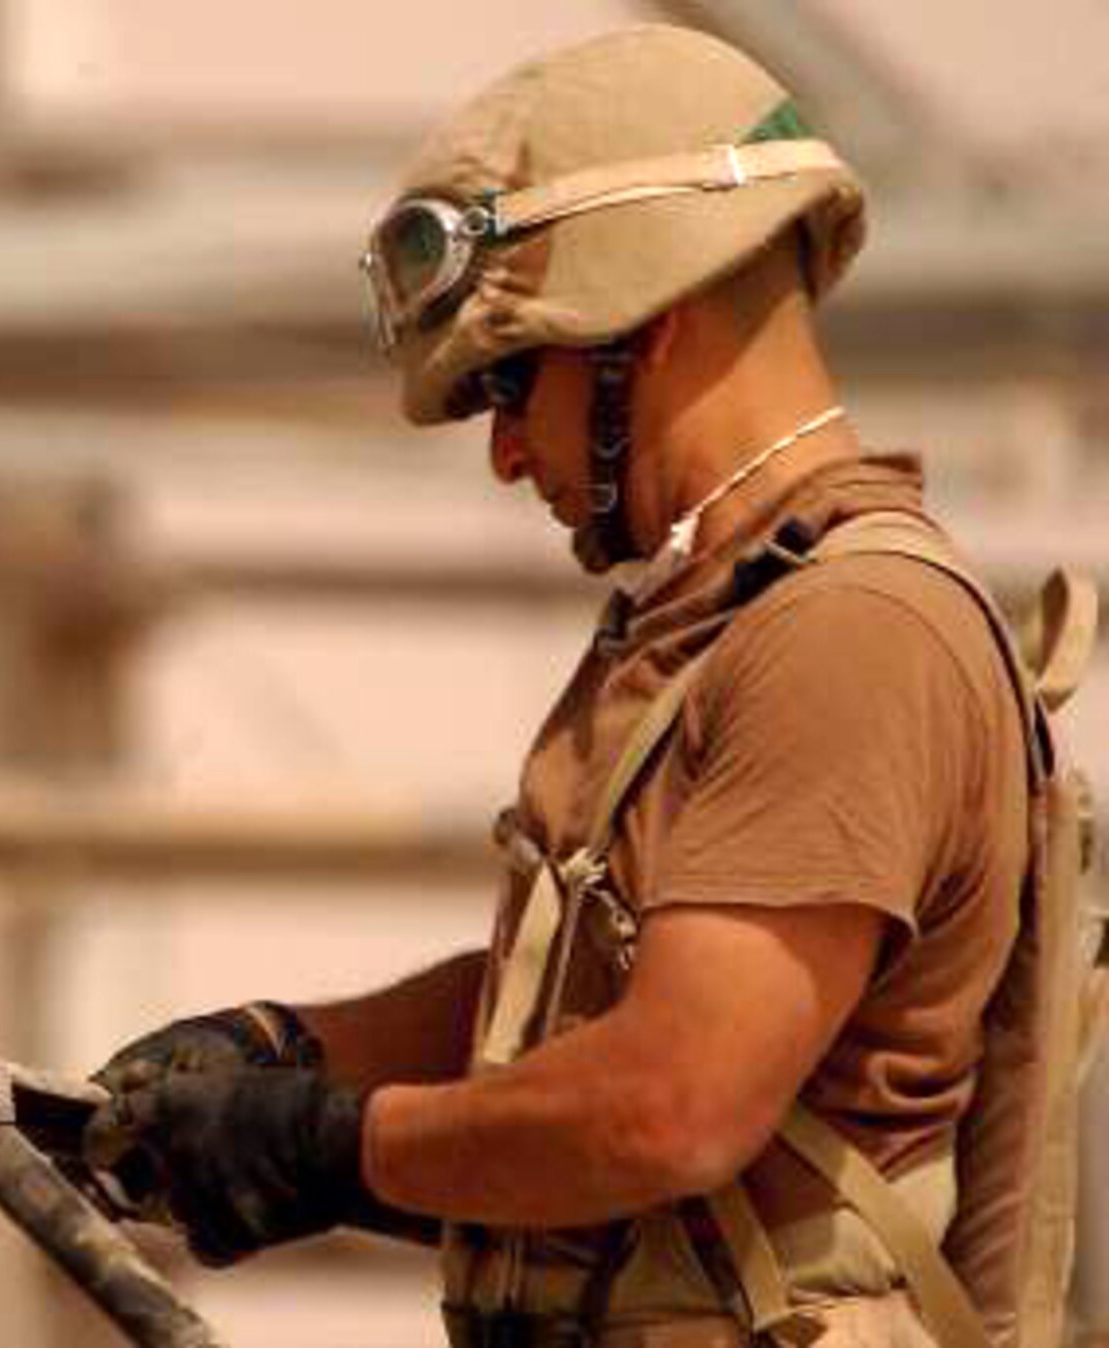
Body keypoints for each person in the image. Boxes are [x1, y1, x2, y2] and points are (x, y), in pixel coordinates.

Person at [84, 25, 1069, 1348]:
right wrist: (294, 1050)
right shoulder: (717, 620)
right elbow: (595, 999)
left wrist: (328, 1147)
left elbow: (669, 1100)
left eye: (508, 387)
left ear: (642, 334)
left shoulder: (852, 634)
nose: (504, 456)